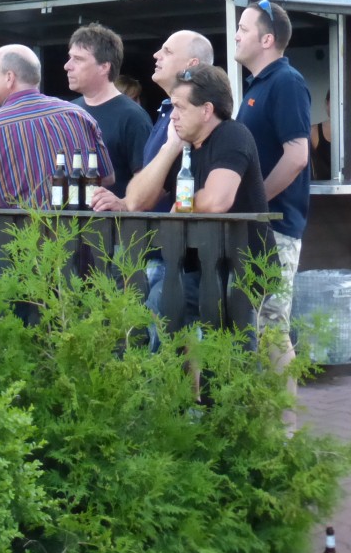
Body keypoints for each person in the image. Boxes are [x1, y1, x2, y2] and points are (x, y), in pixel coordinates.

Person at [100, 65, 272, 345]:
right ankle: (173, 374)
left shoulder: (232, 134)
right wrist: (170, 148)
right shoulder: (185, 145)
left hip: (240, 268)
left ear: (206, 110)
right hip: (200, 268)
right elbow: (135, 201)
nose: (173, 115)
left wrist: (180, 207)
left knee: (231, 351)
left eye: (180, 107)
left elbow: (217, 200)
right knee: (164, 307)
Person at [234, 0, 310, 395]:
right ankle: (262, 419)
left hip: (274, 228)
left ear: (267, 39)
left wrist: (255, 204)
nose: (236, 35)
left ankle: (284, 427)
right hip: (256, 227)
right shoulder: (258, 85)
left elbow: (297, 156)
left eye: (243, 28)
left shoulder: (286, 81)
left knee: (272, 327)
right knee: (257, 327)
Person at [0, 45, 113, 208]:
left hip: (17, 225)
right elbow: (106, 177)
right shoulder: (80, 115)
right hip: (79, 223)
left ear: (9, 77)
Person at [92, 29, 213, 214]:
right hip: (160, 229)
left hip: (174, 230)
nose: (156, 55)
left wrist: (126, 204)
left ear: (192, 64)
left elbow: (157, 192)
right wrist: (126, 202)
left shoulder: (194, 115)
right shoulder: (168, 110)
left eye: (168, 52)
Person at [64, 23, 152, 199]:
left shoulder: (133, 117)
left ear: (104, 67)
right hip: (66, 215)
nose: (67, 66)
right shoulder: (68, 111)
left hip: (112, 216)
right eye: (70, 57)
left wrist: (123, 204)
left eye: (78, 59)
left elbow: (148, 185)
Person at [311, 90, 333, 181]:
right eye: (335, 100)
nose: (340, 105)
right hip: (322, 188)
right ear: (327, 103)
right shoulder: (314, 131)